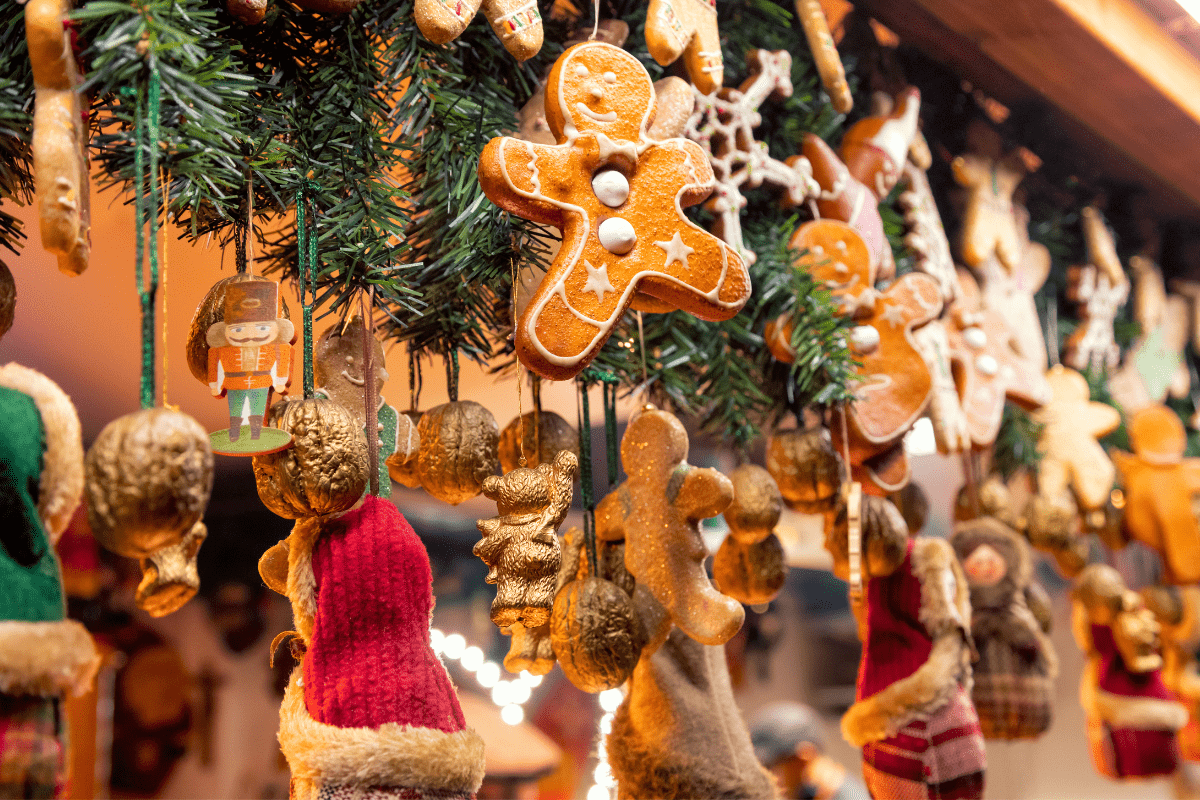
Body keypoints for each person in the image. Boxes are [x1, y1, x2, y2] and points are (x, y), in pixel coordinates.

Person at [750, 702, 869, 800]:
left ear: (804, 756)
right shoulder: (815, 793)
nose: (771, 779)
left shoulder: (847, 796)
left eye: (771, 767)